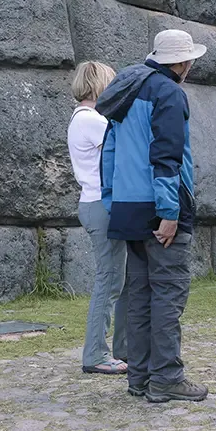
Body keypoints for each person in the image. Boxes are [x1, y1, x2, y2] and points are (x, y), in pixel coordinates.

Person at [96, 29, 208, 404]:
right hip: (160, 208)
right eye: (189, 60)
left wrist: (114, 202)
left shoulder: (126, 90)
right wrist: (169, 212)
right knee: (168, 295)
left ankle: (139, 377)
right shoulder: (168, 93)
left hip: (128, 207)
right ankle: (166, 378)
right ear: (180, 62)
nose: (190, 66)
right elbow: (166, 156)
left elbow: (108, 154)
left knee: (140, 295)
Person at [68, 61, 129, 376]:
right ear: (98, 86)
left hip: (95, 204)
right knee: (108, 280)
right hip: (99, 205)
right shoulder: (91, 120)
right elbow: (124, 145)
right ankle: (95, 354)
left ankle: (119, 349)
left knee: (116, 279)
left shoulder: (81, 119)